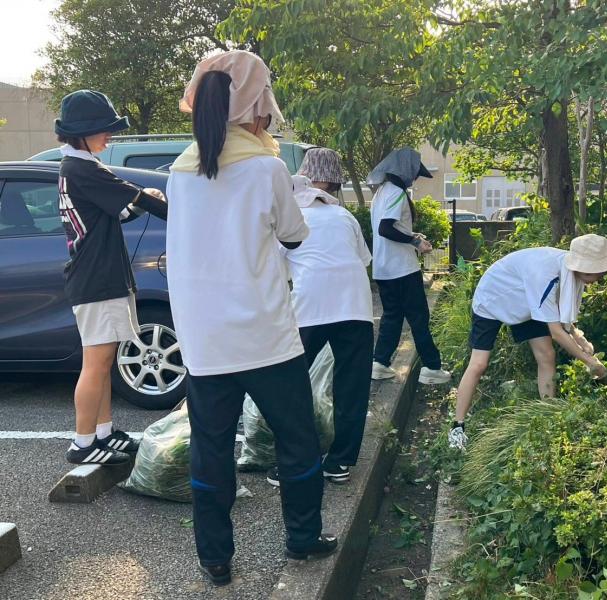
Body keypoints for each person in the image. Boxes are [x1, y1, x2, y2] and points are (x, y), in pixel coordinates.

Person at [165, 51, 336, 586]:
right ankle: (303, 538)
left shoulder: (179, 170)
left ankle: (215, 559)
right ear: (256, 106)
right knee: (297, 440)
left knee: (211, 449)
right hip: (264, 337)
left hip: (204, 342)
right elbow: (293, 234)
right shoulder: (267, 167)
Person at [55, 90, 168, 467]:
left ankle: (103, 433)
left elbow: (120, 211)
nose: (109, 136)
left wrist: (139, 198)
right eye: (103, 129)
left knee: (103, 359)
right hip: (97, 277)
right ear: (81, 133)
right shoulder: (83, 169)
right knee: (97, 361)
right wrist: (171, 204)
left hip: (97, 274)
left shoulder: (78, 168)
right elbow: (142, 201)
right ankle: (83, 441)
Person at [448, 234, 607, 450]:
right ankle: (457, 426)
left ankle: (547, 416)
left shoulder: (570, 274)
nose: (598, 279)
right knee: (479, 364)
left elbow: (556, 310)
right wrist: (590, 362)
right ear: (585, 266)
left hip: (527, 304)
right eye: (598, 273)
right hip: (494, 298)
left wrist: (578, 336)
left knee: (547, 355)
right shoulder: (546, 274)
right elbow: (557, 332)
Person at [272, 146, 372, 485]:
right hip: (355, 307)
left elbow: (274, 268)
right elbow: (363, 261)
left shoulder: (291, 216)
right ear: (335, 182)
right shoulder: (345, 216)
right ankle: (340, 462)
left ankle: (294, 461)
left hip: (309, 307)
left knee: (291, 385)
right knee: (351, 386)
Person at [368, 148, 451, 385]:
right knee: (419, 318)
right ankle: (432, 368)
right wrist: (414, 241)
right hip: (402, 269)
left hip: (384, 269)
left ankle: (380, 363)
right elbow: (386, 229)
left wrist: (411, 235)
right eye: (415, 174)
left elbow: (386, 229)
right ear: (405, 171)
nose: (414, 179)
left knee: (392, 317)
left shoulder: (381, 192)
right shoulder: (396, 193)